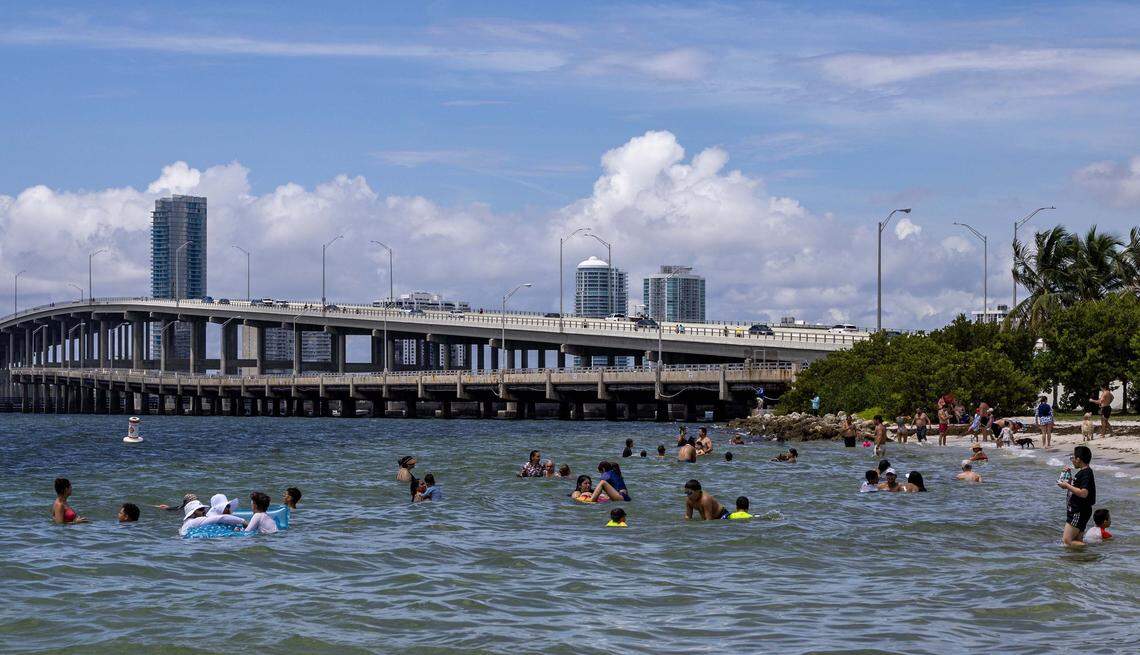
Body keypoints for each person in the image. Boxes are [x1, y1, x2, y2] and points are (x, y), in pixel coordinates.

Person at [1059, 445, 1096, 546]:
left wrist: (1067, 485)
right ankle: (1080, 560)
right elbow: (1076, 487)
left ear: (1078, 459)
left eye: (1073, 458)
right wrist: (1068, 478)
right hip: (1079, 510)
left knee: (1067, 541)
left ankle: (1091, 551)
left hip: (1078, 511)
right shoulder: (1083, 472)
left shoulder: (1086, 473)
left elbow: (1083, 493)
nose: (1072, 460)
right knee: (1077, 539)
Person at [179, 499, 245, 536]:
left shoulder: (187, 523)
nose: (204, 511)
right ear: (192, 513)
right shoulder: (195, 521)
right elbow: (221, 518)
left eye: (204, 509)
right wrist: (243, 521)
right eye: (201, 509)